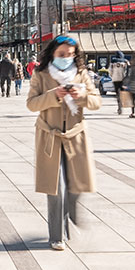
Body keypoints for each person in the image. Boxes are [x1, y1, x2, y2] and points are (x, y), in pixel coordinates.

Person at [25, 35, 101, 251]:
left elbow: (96, 102)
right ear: (52, 54)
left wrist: (82, 95)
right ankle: (56, 236)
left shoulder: (82, 74)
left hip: (76, 135)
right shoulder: (41, 74)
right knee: (55, 187)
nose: (66, 58)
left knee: (77, 185)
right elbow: (31, 104)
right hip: (50, 135)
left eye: (70, 55)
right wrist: (54, 95)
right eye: (61, 54)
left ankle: (71, 212)